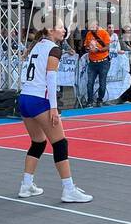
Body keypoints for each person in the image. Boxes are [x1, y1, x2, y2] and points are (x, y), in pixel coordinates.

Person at [16, 21, 92, 202]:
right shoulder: (53, 49)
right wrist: (54, 108)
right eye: (60, 27)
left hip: (25, 98)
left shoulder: (36, 46)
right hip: (39, 100)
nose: (64, 30)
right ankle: (68, 189)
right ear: (50, 30)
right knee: (60, 143)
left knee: (38, 142)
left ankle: (26, 185)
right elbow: (51, 80)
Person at [81, 21, 112, 108]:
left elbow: (107, 47)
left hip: (103, 62)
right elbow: (86, 46)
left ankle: (100, 100)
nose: (91, 29)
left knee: (102, 83)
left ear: (97, 25)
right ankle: (90, 101)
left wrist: (98, 50)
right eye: (90, 28)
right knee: (90, 82)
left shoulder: (104, 33)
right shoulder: (88, 34)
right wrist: (88, 48)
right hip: (92, 62)